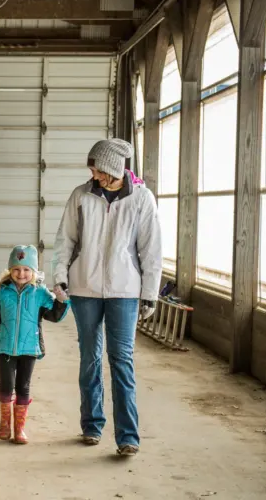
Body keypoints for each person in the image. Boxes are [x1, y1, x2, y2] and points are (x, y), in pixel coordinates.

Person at [52, 138, 162, 456]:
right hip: (84, 289)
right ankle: (92, 425)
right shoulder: (81, 196)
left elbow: (150, 250)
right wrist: (60, 278)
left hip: (125, 292)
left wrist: (150, 295)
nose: (94, 175)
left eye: (98, 169)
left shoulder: (141, 199)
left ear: (113, 168)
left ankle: (128, 435)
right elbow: (66, 240)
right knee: (90, 359)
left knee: (121, 360)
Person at [0, 245, 69, 444]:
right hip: (6, 346)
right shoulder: (1, 292)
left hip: (29, 349)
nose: (21, 273)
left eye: (26, 269)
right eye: (16, 269)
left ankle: (19, 428)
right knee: (6, 386)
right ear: (9, 270)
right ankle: (4, 423)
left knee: (23, 386)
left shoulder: (40, 293)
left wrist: (62, 300)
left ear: (33, 271)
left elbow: (54, 315)